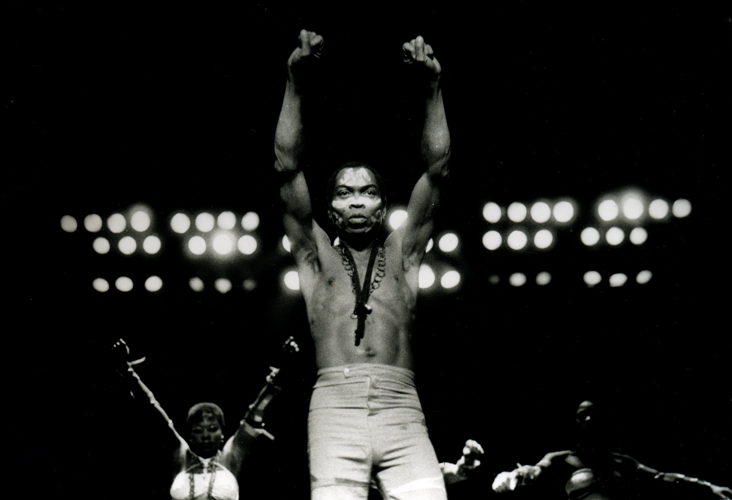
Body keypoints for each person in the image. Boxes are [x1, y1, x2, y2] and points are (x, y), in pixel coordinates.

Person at [273, 28, 453, 499]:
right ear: (331, 209)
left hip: (401, 405)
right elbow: (286, 167)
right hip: (336, 405)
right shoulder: (315, 258)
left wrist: (432, 88)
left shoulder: (404, 252)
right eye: (345, 193)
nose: (357, 201)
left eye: (368, 192)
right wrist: (294, 82)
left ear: (382, 206)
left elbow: (438, 170)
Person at [112, 337, 296, 500]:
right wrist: (127, 372)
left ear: (222, 434)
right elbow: (152, 410)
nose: (206, 435)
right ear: (190, 436)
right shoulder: (181, 456)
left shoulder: (231, 456)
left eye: (212, 428)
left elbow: (256, 411)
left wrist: (283, 372)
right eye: (198, 430)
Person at [491, 400, 732, 500]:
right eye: (582, 416)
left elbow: (661, 477)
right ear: (576, 423)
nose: (588, 420)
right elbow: (537, 469)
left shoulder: (622, 462)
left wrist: (708, 487)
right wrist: (516, 474)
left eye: (593, 415)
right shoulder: (562, 459)